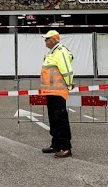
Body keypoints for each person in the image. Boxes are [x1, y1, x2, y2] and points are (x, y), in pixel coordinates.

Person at [39, 29, 74, 158]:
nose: (45, 41)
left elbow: (67, 70)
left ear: (54, 40)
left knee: (60, 119)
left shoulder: (60, 52)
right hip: (51, 91)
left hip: (58, 91)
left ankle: (65, 147)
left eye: (47, 39)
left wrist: (69, 84)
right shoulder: (52, 53)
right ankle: (56, 145)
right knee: (53, 119)